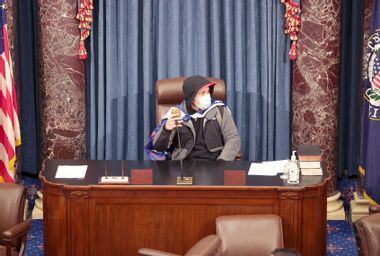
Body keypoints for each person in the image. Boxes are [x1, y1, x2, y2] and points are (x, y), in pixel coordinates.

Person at [151, 75, 240, 161]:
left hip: (214, 164)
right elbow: (159, 148)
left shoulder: (220, 110)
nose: (207, 96)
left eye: (208, 92)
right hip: (183, 166)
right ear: (191, 97)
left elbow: (232, 139)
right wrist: (166, 129)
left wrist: (222, 162)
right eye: (202, 93)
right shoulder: (177, 114)